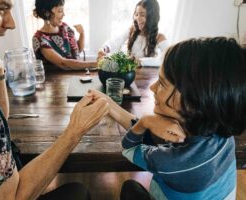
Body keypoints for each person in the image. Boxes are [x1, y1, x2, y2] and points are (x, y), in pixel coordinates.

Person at [0, 0, 109, 199]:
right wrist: (75, 130)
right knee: (79, 191)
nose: (11, 23)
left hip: (6, 175)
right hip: (13, 190)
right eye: (0, 8)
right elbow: (12, 197)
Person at [90, 37, 246, 199]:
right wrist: (107, 102)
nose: (152, 87)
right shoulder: (221, 133)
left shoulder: (171, 162)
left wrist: (145, 122)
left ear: (194, 102)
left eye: (162, 83)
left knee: (129, 187)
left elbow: (129, 148)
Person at [98, 0, 168, 67]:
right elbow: (117, 40)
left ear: (152, 17)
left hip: (147, 77)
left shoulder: (160, 38)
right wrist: (105, 48)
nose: (138, 18)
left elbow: (165, 59)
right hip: (131, 74)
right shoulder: (132, 30)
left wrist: (139, 61)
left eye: (142, 15)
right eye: (136, 14)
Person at [32, 0, 97, 71]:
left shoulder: (65, 27)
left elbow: (77, 51)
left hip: (75, 76)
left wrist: (82, 33)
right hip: (57, 81)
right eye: (60, 11)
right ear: (46, 13)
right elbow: (63, 63)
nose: (63, 14)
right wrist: (95, 64)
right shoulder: (39, 39)